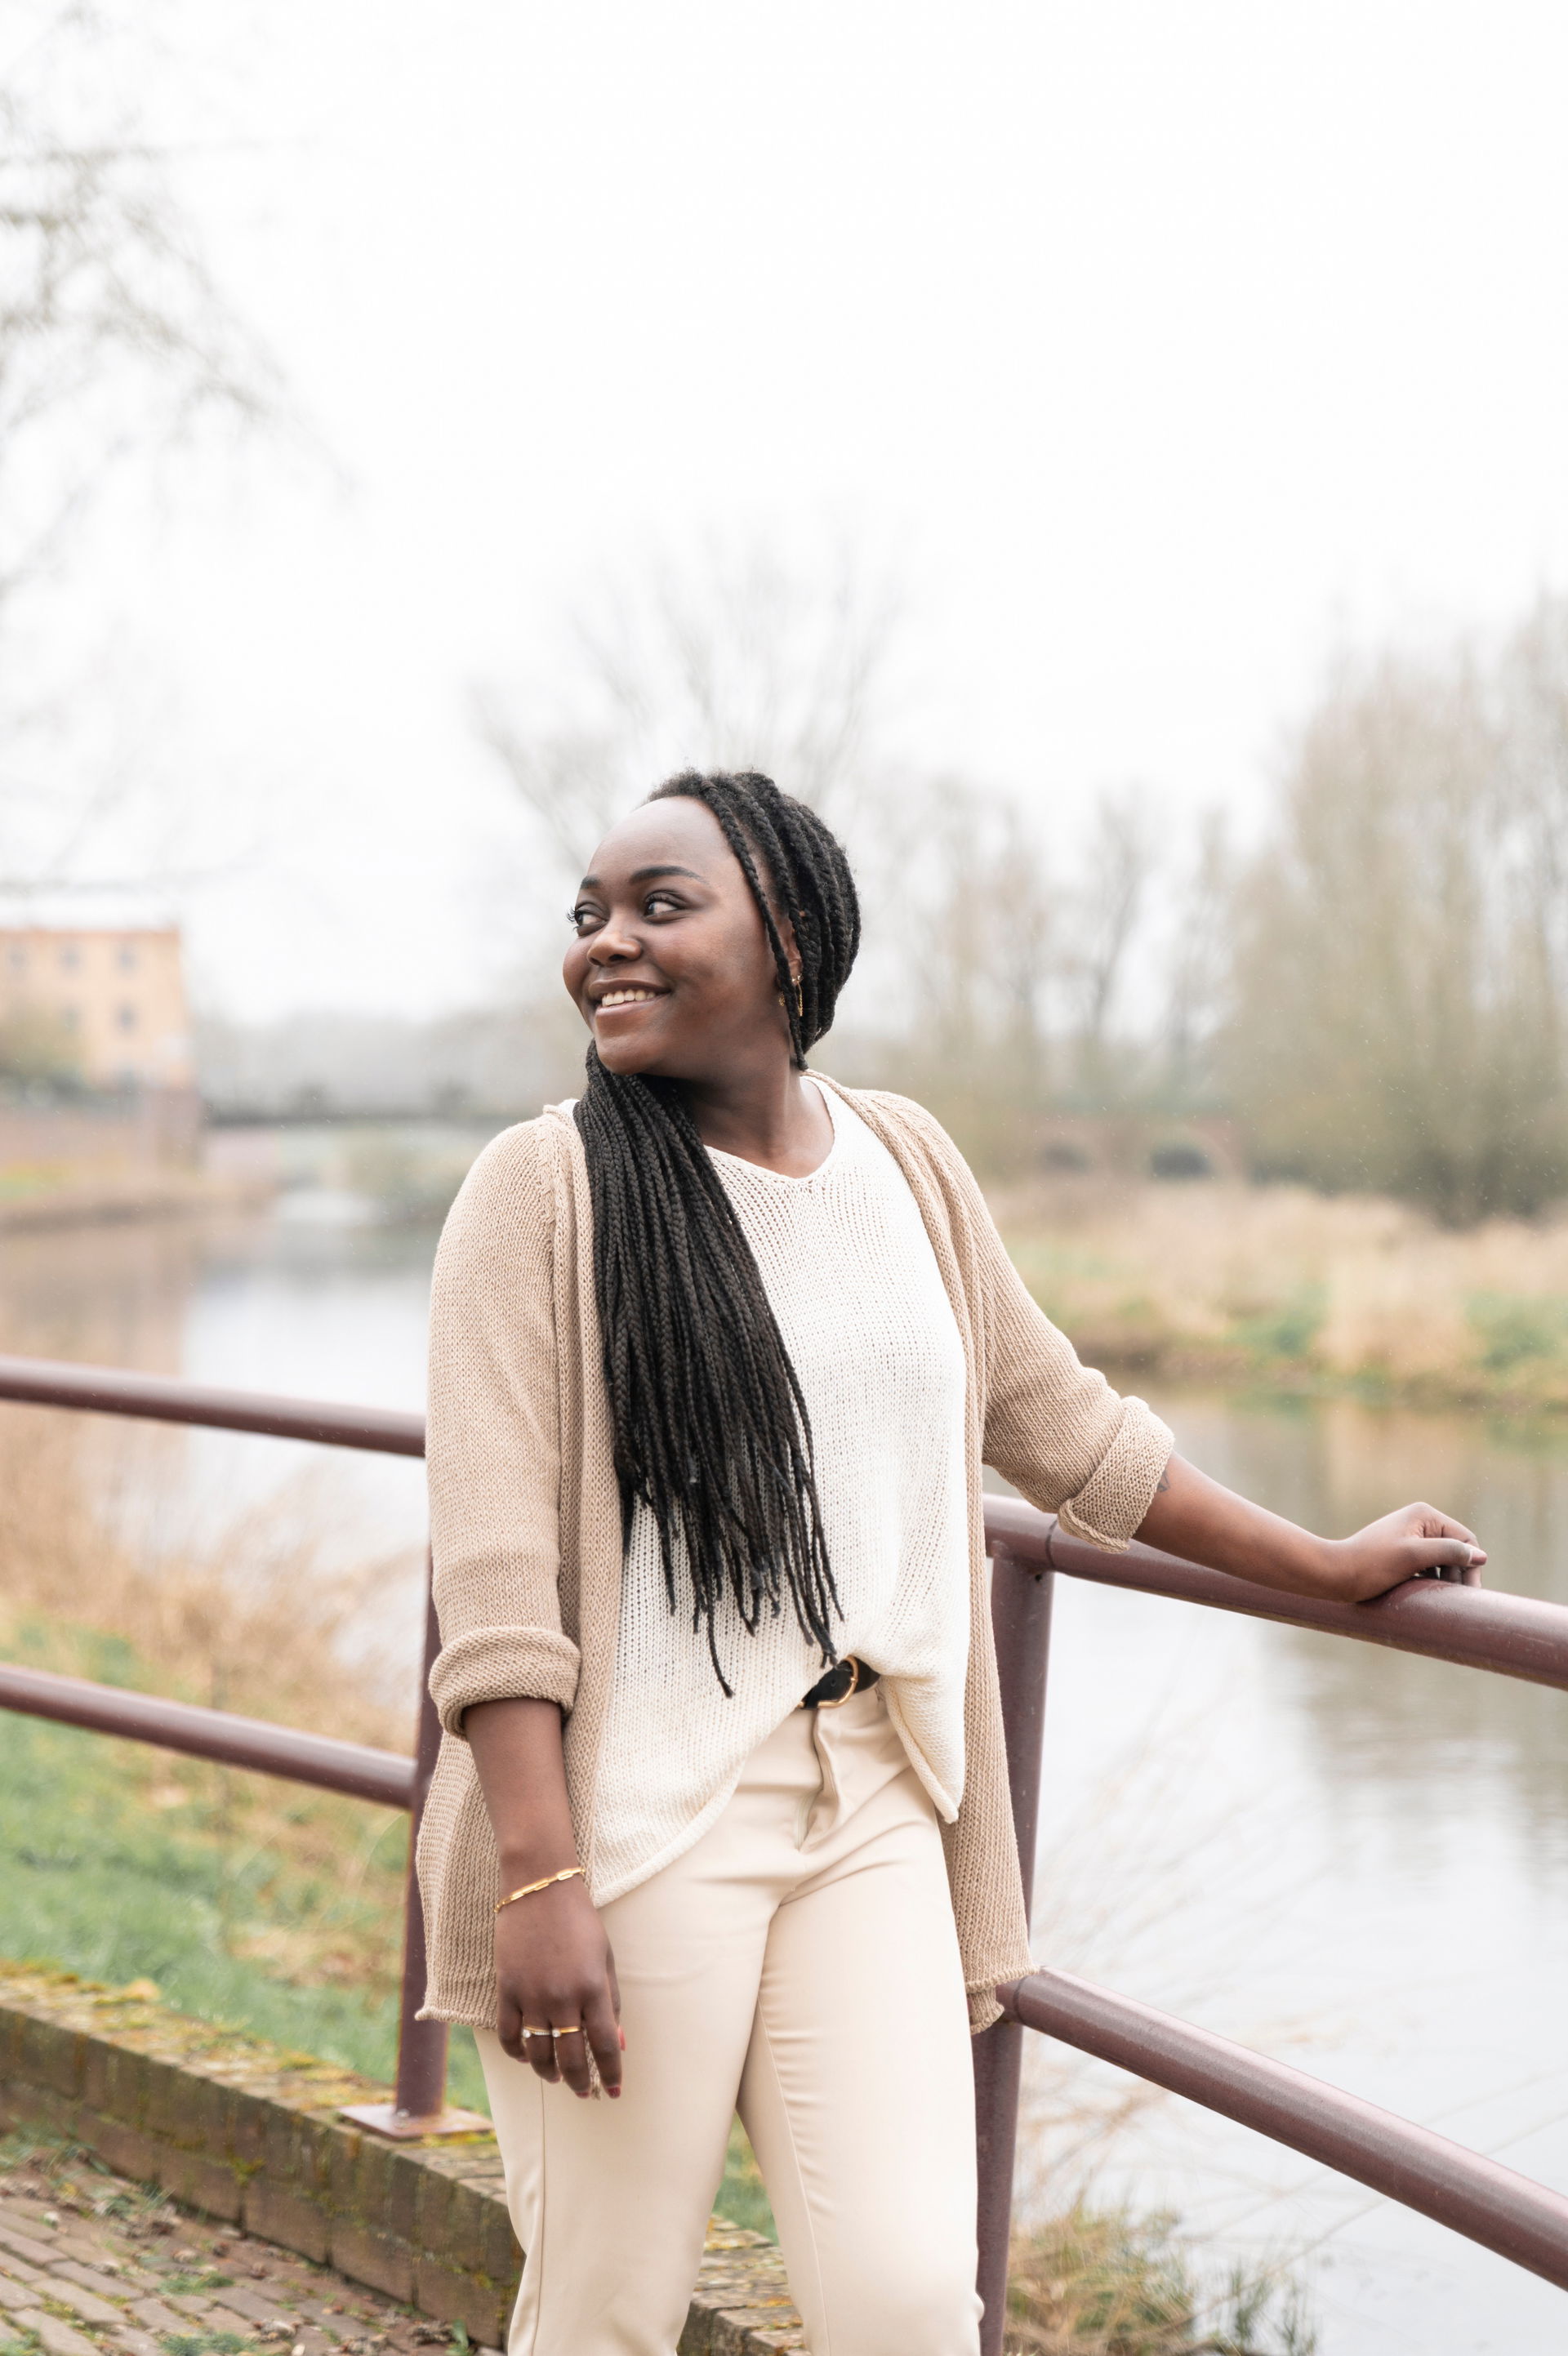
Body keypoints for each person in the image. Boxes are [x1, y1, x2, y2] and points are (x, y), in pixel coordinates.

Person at [415, 770, 1485, 2356]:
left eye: (658, 905)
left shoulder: (903, 1159)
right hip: (632, 1824)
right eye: (588, 918)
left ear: (789, 931)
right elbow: (497, 1576)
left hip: (874, 1805)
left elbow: (1060, 1422)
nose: (606, 947)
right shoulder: (545, 1189)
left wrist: (1318, 1564)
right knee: (605, 2315)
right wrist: (541, 1877)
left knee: (912, 2303)